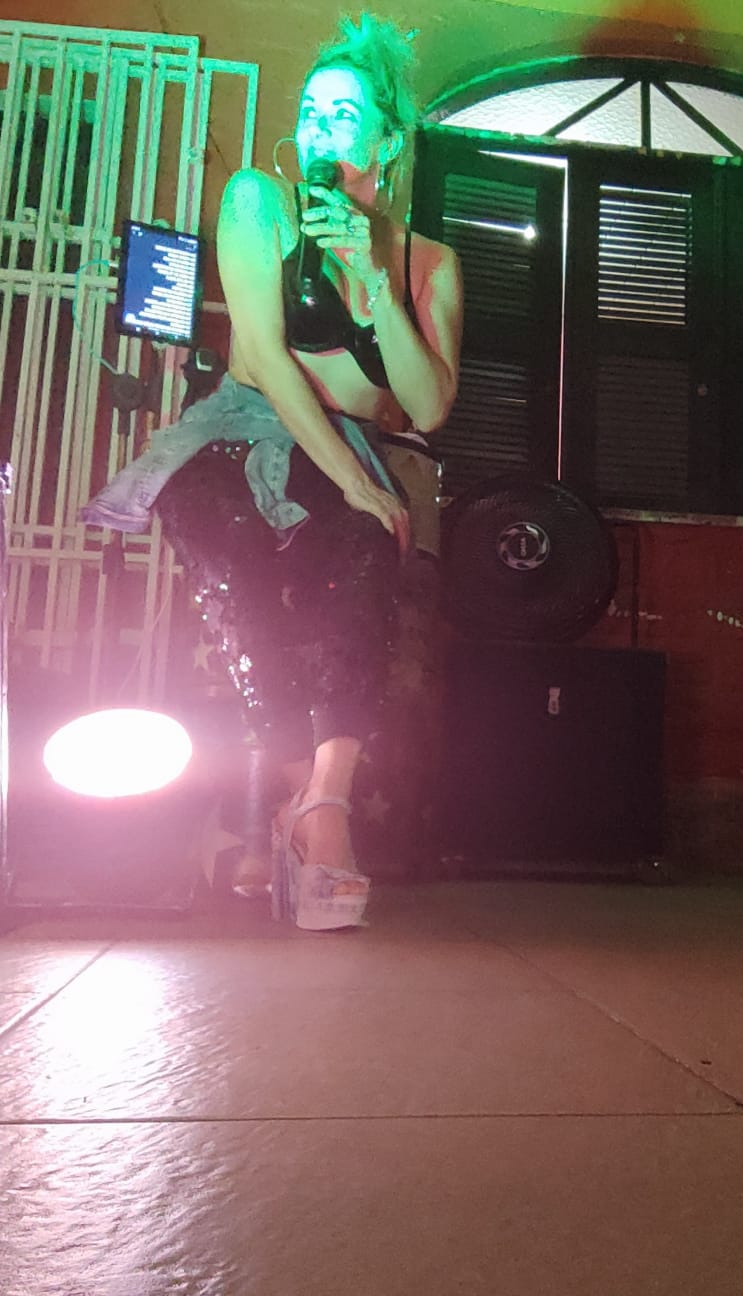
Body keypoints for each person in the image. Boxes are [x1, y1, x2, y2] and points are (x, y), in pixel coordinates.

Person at [81, 13, 463, 928]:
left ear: (387, 142)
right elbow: (263, 354)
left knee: (366, 556)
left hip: (355, 445)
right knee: (232, 553)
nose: (322, 127)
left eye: (346, 114)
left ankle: (322, 803)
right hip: (247, 430)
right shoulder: (259, 201)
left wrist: (373, 278)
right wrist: (353, 479)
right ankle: (302, 810)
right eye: (311, 110)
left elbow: (427, 405)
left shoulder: (430, 261)